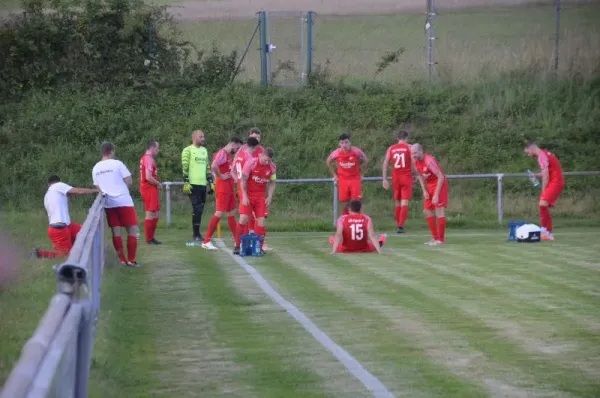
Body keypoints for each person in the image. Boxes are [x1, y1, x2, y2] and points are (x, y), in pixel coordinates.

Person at [93, 142, 140, 266]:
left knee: (116, 230)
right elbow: (129, 180)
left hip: (108, 203)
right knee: (131, 229)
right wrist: (123, 189)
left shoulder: (96, 167)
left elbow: (97, 186)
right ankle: (131, 260)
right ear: (112, 151)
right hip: (123, 200)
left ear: (102, 152)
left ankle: (122, 260)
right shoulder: (118, 164)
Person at [34, 175, 98, 258]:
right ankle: (40, 254)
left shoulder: (48, 195)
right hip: (59, 229)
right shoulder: (58, 185)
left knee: (87, 231)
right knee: (66, 256)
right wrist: (96, 191)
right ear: (59, 181)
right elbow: (78, 191)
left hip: (65, 226)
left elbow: (71, 193)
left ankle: (82, 252)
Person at [201, 137, 244, 250]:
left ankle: (238, 241)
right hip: (223, 188)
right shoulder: (223, 153)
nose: (237, 150)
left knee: (231, 214)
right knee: (219, 213)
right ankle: (206, 241)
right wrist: (221, 176)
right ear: (233, 144)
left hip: (229, 188)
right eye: (237, 148)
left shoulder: (227, 155)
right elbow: (214, 166)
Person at [233, 147, 277, 255]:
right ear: (261, 155)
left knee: (261, 222)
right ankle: (237, 245)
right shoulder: (250, 163)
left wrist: (269, 196)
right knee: (243, 219)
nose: (267, 162)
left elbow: (272, 182)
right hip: (248, 195)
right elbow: (243, 180)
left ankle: (259, 247)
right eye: (265, 160)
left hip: (260, 197)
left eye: (269, 161)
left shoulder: (272, 167)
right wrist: (244, 196)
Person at [524, 141, 565, 240]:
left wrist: (543, 191)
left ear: (531, 148)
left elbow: (546, 176)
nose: (527, 154)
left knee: (542, 204)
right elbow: (547, 171)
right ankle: (547, 232)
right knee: (543, 206)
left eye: (527, 152)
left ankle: (546, 232)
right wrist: (537, 175)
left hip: (555, 182)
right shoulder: (545, 154)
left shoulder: (541, 156)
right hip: (556, 181)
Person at [411, 143, 448, 246]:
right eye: (412, 153)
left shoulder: (429, 161)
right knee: (427, 211)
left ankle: (440, 240)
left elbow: (441, 177)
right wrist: (424, 190)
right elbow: (420, 176)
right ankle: (435, 238)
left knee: (439, 211)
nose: (413, 155)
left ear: (421, 151)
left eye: (415, 153)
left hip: (439, 184)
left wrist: (436, 194)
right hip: (430, 186)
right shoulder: (415, 161)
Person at [181, 130, 213, 242]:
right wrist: (186, 181)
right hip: (192, 184)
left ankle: (197, 232)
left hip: (202, 184)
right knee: (197, 208)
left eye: (203, 136)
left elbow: (207, 167)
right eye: (201, 137)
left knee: (200, 208)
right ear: (194, 137)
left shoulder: (204, 150)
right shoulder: (187, 150)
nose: (203, 138)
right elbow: (185, 167)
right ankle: (196, 234)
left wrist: (210, 182)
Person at [327, 133, 368, 216]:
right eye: (342, 143)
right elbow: (328, 162)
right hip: (343, 179)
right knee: (344, 202)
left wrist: (362, 174)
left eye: (346, 142)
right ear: (339, 144)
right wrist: (335, 175)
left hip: (354, 179)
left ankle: (357, 219)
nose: (344, 145)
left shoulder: (356, 151)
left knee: (356, 201)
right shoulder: (337, 153)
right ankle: (345, 219)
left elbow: (365, 160)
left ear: (350, 143)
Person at [382, 130, 413, 233]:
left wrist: (384, 178)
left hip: (395, 177)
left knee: (397, 202)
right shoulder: (409, 147)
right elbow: (414, 161)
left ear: (397, 138)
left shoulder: (391, 148)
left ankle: (398, 225)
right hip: (406, 176)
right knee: (405, 202)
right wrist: (417, 174)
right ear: (406, 138)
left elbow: (386, 163)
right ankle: (400, 226)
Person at [232, 137, 260, 235]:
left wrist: (237, 181)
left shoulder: (239, 155)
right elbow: (248, 175)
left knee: (245, 214)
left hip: (240, 187)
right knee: (247, 215)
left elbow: (232, 171)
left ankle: (244, 238)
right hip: (246, 188)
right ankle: (246, 236)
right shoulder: (249, 158)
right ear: (254, 147)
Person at [140, 140, 162, 245]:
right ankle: (149, 239)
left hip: (151, 188)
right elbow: (148, 177)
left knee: (156, 213)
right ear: (152, 148)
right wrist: (158, 183)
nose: (158, 150)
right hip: (148, 188)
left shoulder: (148, 158)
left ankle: (151, 237)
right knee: (150, 213)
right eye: (157, 148)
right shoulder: (148, 159)